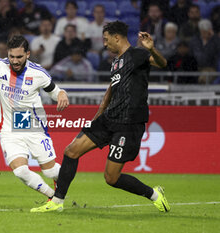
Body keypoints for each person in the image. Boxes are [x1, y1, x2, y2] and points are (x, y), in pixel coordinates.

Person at [31, 21, 171, 213]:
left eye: (106, 40)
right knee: (71, 151)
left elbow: (162, 63)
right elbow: (110, 92)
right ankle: (57, 201)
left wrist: (152, 49)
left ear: (117, 37)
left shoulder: (138, 54)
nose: (104, 44)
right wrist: (96, 117)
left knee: (111, 178)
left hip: (128, 123)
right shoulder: (115, 62)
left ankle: (153, 194)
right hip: (108, 119)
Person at [0, 35, 69, 199]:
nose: (15, 61)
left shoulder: (38, 73)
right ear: (7, 54)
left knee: (50, 171)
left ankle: (63, 179)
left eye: (19, 57)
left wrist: (62, 94)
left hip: (33, 126)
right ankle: (52, 196)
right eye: (12, 56)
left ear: (28, 54)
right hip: (9, 129)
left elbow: (55, 90)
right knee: (20, 171)